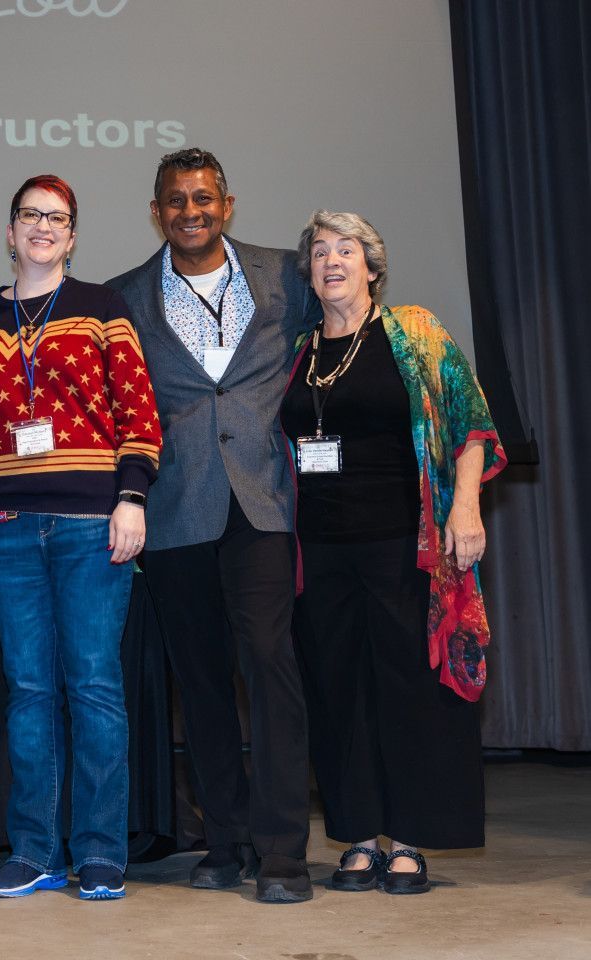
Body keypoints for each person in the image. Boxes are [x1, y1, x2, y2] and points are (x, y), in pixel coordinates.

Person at [108, 147, 320, 903]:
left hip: (263, 502)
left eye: (202, 198)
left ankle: (283, 851)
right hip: (174, 509)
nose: (189, 211)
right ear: (156, 210)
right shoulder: (123, 295)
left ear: (226, 204)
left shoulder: (285, 276)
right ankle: (224, 842)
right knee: (197, 680)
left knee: (268, 663)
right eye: (174, 200)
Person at [0, 175, 162, 901]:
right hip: (3, 527)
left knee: (94, 686)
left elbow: (138, 413)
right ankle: (34, 849)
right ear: (9, 233)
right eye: (30, 215)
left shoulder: (103, 307)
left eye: (57, 218)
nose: (42, 227)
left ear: (71, 237)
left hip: (88, 522)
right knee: (28, 689)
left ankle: (99, 852)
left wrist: (131, 497)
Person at [280, 210, 505, 894]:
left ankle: (406, 839)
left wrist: (465, 506)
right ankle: (356, 837)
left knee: (406, 688)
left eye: (345, 249)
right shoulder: (298, 348)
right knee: (338, 688)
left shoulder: (412, 332)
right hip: (317, 548)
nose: (331, 261)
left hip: (402, 545)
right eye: (319, 252)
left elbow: (469, 424)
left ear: (372, 267)